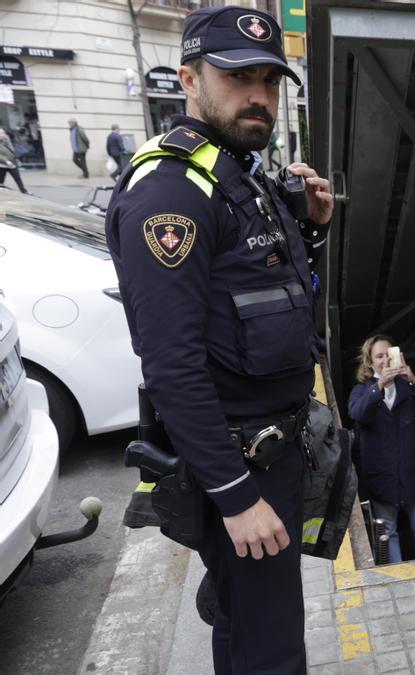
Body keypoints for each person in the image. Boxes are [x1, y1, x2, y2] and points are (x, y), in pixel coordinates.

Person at [104, 7, 333, 672]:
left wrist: (313, 229)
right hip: (242, 462)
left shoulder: (241, 169)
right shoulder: (171, 192)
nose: (258, 94)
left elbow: (270, 293)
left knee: (248, 622)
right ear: (189, 78)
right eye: (237, 77)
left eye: (269, 79)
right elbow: (171, 364)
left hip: (275, 448)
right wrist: (235, 495)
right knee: (273, 649)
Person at [349, 336, 415, 562]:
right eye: (379, 356)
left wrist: (412, 379)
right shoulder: (362, 390)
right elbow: (358, 414)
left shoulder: (410, 386)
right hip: (382, 481)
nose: (384, 360)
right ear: (369, 363)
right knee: (388, 535)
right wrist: (379, 386)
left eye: (388, 354)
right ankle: (400, 583)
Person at [0, 129, 29, 193]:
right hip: (2, 164)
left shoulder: (6, 139)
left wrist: (13, 159)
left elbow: (11, 149)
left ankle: (23, 190)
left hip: (12, 162)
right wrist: (6, 161)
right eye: (1, 134)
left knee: (17, 177)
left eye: (3, 133)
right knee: (1, 179)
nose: (3, 135)